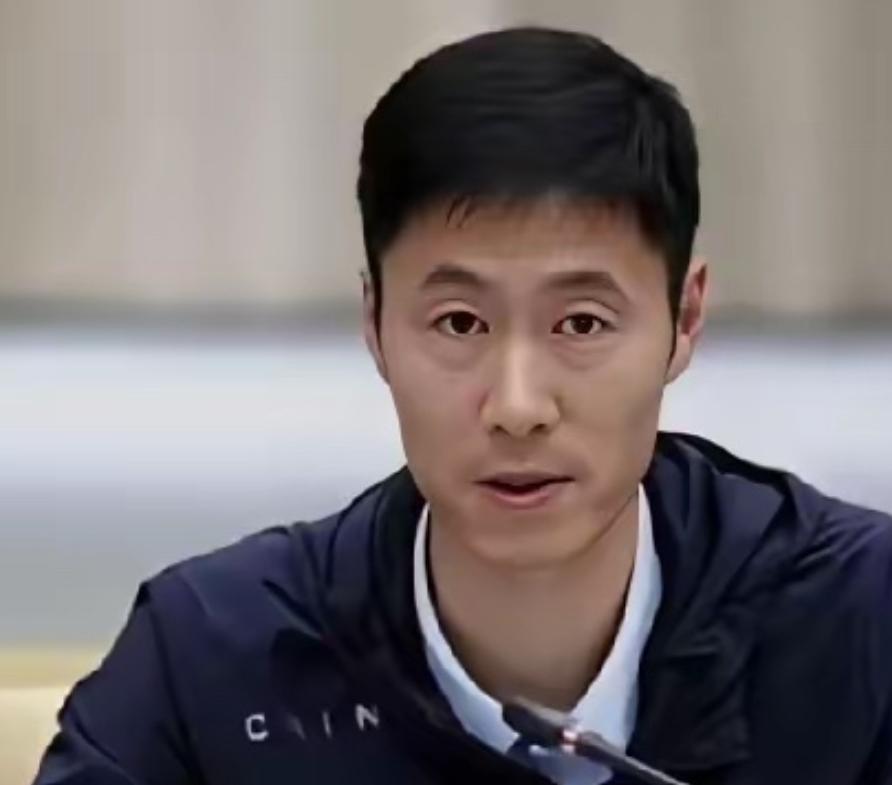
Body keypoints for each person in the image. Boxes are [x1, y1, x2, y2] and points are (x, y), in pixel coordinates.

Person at [33, 27, 892, 785]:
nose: (517, 407)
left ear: (686, 318)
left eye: (582, 323)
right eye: (459, 322)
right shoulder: (211, 663)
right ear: (374, 322)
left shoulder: (861, 624)